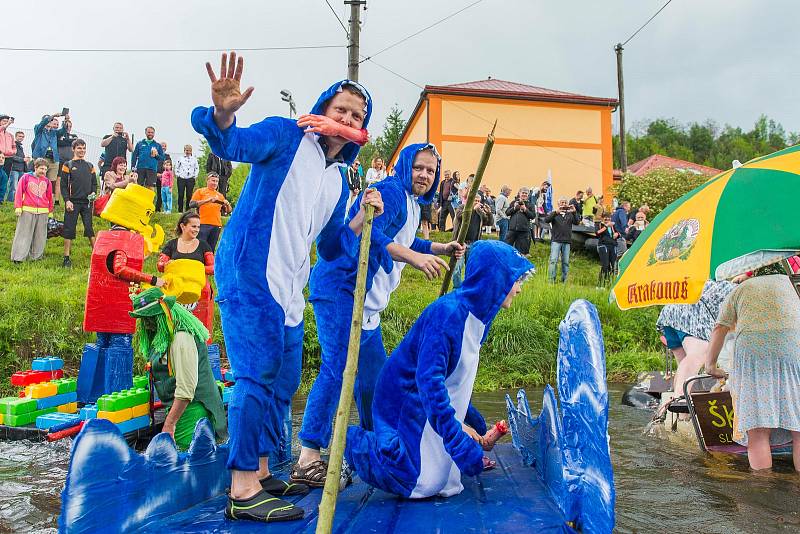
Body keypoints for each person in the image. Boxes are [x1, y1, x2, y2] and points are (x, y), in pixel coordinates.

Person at [191, 51, 383, 522]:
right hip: (250, 274)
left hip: (290, 287)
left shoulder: (340, 180)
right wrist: (222, 113)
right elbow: (232, 142)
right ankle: (241, 489)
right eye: (340, 110)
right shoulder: (285, 134)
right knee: (255, 375)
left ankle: (259, 467)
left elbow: (335, 246)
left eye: (357, 116)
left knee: (284, 380)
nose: (347, 120)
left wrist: (363, 213)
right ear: (323, 110)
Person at [294, 143, 464, 487]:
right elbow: (372, 234)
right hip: (342, 290)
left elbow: (407, 237)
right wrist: (413, 259)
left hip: (367, 308)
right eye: (419, 168)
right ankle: (308, 455)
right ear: (405, 166)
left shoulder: (412, 204)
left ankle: (379, 447)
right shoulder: (391, 191)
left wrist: (437, 248)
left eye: (431, 171)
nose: (424, 175)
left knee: (377, 381)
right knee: (339, 368)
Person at [345, 240, 534, 498]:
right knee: (420, 483)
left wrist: (473, 424)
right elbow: (430, 384)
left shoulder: (481, 317)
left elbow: (456, 378)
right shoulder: (448, 316)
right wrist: (459, 443)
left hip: (430, 401)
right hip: (407, 401)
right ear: (494, 280)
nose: (519, 289)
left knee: (449, 484)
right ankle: (349, 442)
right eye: (515, 280)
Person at [705, 274, 800, 471]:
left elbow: (720, 327)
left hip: (753, 355)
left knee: (758, 431)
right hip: (792, 348)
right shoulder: (789, 284)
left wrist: (711, 366)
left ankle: (762, 492)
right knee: (799, 427)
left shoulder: (739, 289)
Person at [130, 286, 227, 450]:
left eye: (151, 319)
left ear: (163, 314)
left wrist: (170, 424)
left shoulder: (181, 338)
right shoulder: (166, 337)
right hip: (179, 407)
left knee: (186, 460)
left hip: (194, 409)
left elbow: (186, 389)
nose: (147, 325)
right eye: (143, 320)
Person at [655, 280, 736, 418]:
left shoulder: (728, 287)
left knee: (685, 367)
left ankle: (679, 415)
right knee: (697, 355)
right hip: (692, 310)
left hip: (671, 311)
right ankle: (678, 400)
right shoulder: (744, 294)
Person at [157, 212, 215, 341]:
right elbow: (160, 266)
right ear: (183, 226)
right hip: (175, 292)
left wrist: (191, 267)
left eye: (198, 227)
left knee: (199, 328)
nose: (196, 230)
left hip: (199, 293)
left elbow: (213, 268)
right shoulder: (171, 245)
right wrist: (166, 263)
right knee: (176, 328)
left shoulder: (204, 246)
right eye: (193, 226)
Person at [60, 139, 98, 268]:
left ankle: (96, 257)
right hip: (73, 202)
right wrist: (67, 200)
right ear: (73, 149)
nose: (81, 151)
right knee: (69, 229)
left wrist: (93, 193)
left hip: (87, 203)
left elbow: (94, 183)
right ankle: (66, 258)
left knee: (89, 228)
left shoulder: (90, 166)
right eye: (79, 148)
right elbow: (63, 185)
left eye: (83, 148)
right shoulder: (68, 164)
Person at [11, 158, 53, 263]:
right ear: (35, 167)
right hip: (27, 210)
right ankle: (18, 257)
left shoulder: (47, 181)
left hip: (43, 211)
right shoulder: (25, 177)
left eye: (45, 169)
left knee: (40, 235)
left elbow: (49, 197)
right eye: (41, 168)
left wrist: (50, 211)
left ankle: (36, 257)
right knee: (23, 234)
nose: (43, 171)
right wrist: (18, 207)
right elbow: (19, 192)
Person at [32, 113, 68, 205]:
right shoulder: (38, 129)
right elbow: (42, 124)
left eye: (51, 120)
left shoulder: (53, 132)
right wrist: (52, 116)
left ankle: (47, 200)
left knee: (51, 180)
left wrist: (65, 120)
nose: (51, 121)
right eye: (49, 120)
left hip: (53, 159)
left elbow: (63, 130)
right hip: (41, 157)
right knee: (40, 177)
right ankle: (36, 198)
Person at [189, 172, 231, 251]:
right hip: (203, 224)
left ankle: (210, 263)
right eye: (213, 180)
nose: (215, 183)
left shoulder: (220, 195)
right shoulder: (200, 191)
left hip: (216, 225)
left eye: (216, 181)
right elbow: (191, 204)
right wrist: (207, 200)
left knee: (210, 250)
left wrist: (228, 204)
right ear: (207, 181)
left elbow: (228, 211)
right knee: (200, 248)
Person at [544, 197, 577, 283]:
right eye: (562, 202)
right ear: (558, 204)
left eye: (565, 202)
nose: (563, 204)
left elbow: (577, 222)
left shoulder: (570, 214)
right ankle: (551, 281)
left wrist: (574, 212)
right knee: (553, 261)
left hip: (567, 241)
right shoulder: (555, 214)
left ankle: (564, 281)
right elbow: (546, 220)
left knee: (565, 262)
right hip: (556, 240)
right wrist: (555, 212)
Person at [131, 126, 164, 191]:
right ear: (145, 132)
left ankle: (149, 201)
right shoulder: (139, 144)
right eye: (149, 132)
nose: (150, 134)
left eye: (152, 132)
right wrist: (133, 167)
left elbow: (162, 158)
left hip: (152, 169)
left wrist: (156, 155)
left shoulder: (157, 145)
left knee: (150, 188)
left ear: (154, 134)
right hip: (140, 168)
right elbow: (134, 156)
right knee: (138, 187)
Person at [504, 187, 535, 254]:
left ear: (528, 195)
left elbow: (533, 216)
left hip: (523, 232)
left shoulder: (530, 205)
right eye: (523, 193)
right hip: (512, 230)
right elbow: (507, 213)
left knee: (521, 252)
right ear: (519, 193)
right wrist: (514, 208)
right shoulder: (513, 202)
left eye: (526, 193)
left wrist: (525, 209)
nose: (524, 194)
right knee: (507, 249)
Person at [6, 131, 29, 203]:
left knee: (20, 187)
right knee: (13, 187)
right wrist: (23, 159)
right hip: (14, 169)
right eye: (19, 136)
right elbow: (12, 156)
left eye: (22, 136)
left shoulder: (20, 147)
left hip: (21, 170)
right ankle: (10, 201)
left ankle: (17, 200)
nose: (21, 138)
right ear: (16, 137)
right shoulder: (13, 145)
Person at [175, 144, 200, 211]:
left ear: (191, 151)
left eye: (189, 150)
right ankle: (180, 210)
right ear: (184, 150)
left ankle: (188, 210)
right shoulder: (180, 158)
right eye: (186, 150)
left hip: (190, 179)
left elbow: (196, 168)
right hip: (181, 178)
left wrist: (195, 176)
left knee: (189, 195)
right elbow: (176, 167)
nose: (188, 152)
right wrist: (178, 175)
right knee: (181, 195)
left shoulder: (194, 159)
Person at [596, 214, 617, 286]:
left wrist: (617, 234)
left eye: (609, 218)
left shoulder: (613, 226)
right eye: (605, 218)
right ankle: (601, 284)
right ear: (602, 219)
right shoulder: (599, 224)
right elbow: (597, 233)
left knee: (614, 265)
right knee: (605, 264)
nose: (607, 220)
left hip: (613, 245)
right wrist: (606, 226)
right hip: (603, 245)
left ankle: (610, 283)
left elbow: (619, 233)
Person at [155, 141, 172, 213]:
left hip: (165, 180)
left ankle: (161, 209)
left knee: (162, 195)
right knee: (154, 193)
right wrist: (156, 174)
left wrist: (163, 175)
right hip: (155, 176)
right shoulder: (155, 155)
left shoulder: (167, 156)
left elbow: (170, 168)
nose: (163, 147)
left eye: (164, 146)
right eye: (162, 146)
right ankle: (154, 209)